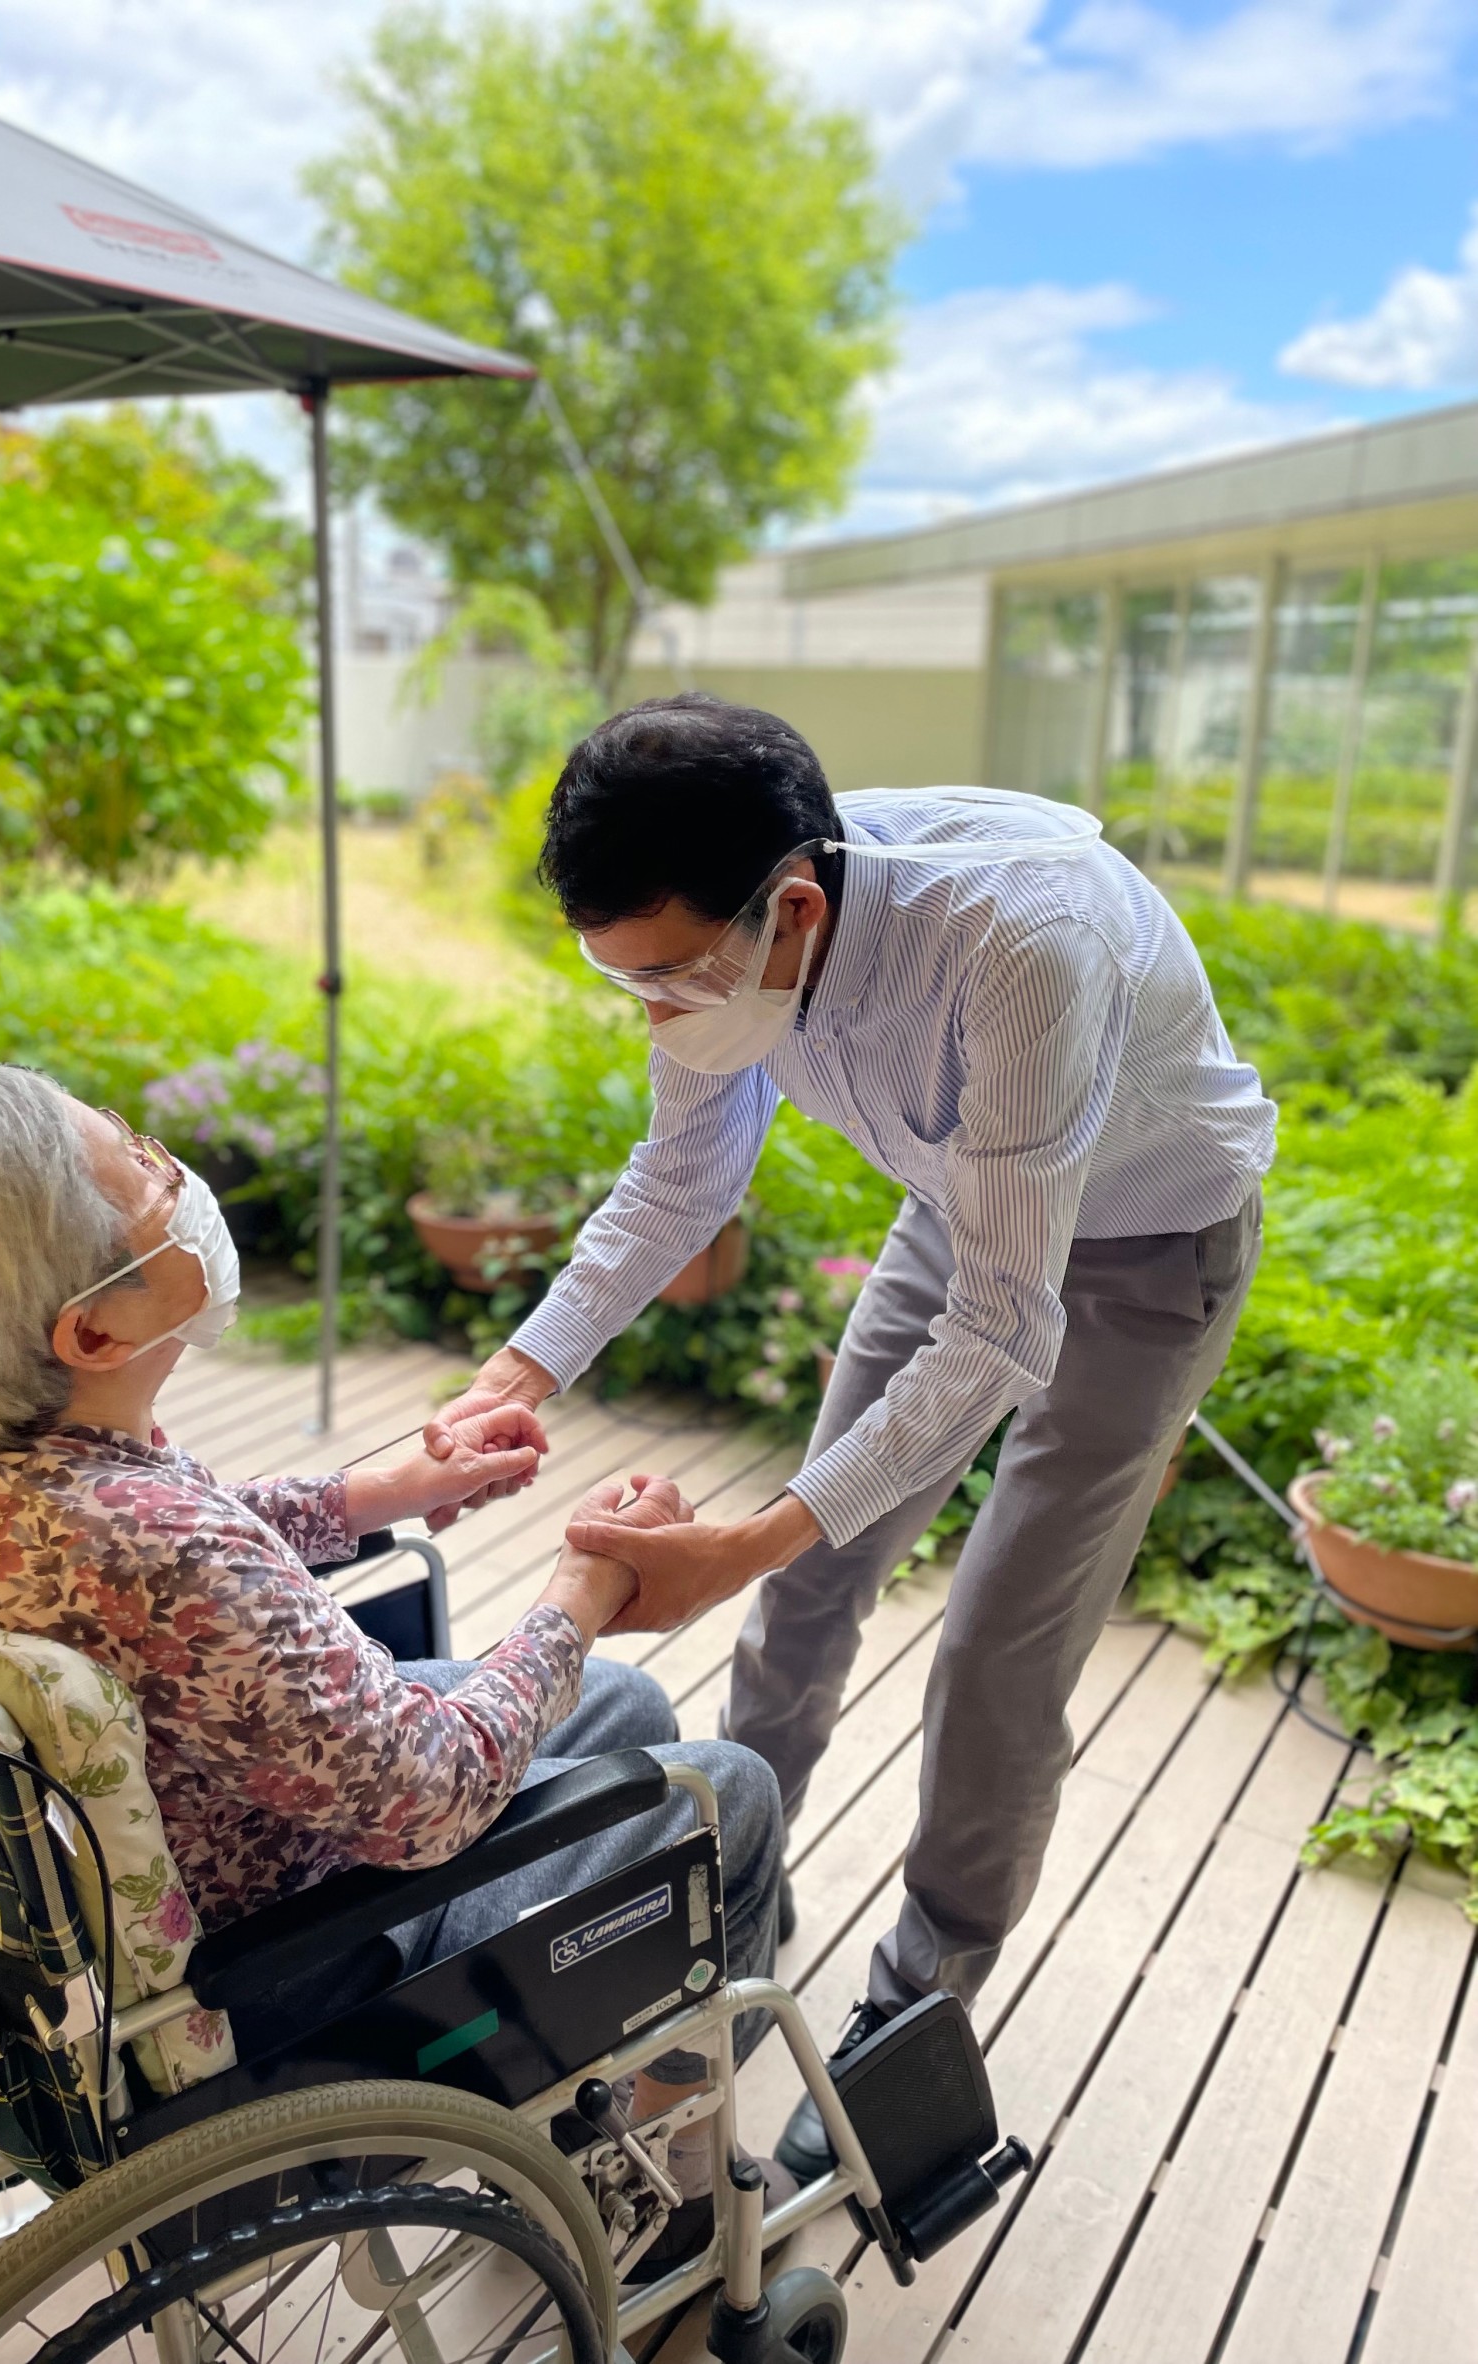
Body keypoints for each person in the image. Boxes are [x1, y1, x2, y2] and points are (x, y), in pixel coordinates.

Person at [425, 693, 1274, 2184]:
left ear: (797, 909)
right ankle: (730, 1907)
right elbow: (679, 1183)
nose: (654, 1014)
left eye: (669, 978)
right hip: (964, 1204)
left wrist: (738, 1541)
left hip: (1150, 1248)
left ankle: (919, 2001)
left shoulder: (1021, 944)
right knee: (812, 1586)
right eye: (621, 978)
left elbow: (1002, 1333)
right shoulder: (723, 935)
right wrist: (516, 1372)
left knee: (1000, 1646)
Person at [0, 1065, 785, 2241]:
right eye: (143, 1170)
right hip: (307, 1967)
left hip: (199, 1856)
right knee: (727, 1796)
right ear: (93, 1328)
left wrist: (374, 1493)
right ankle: (667, 2171)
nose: (172, 1167)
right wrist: (586, 1586)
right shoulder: (158, 1553)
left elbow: (188, 1547)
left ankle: (598, 2076)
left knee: (622, 1706)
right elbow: (433, 1793)